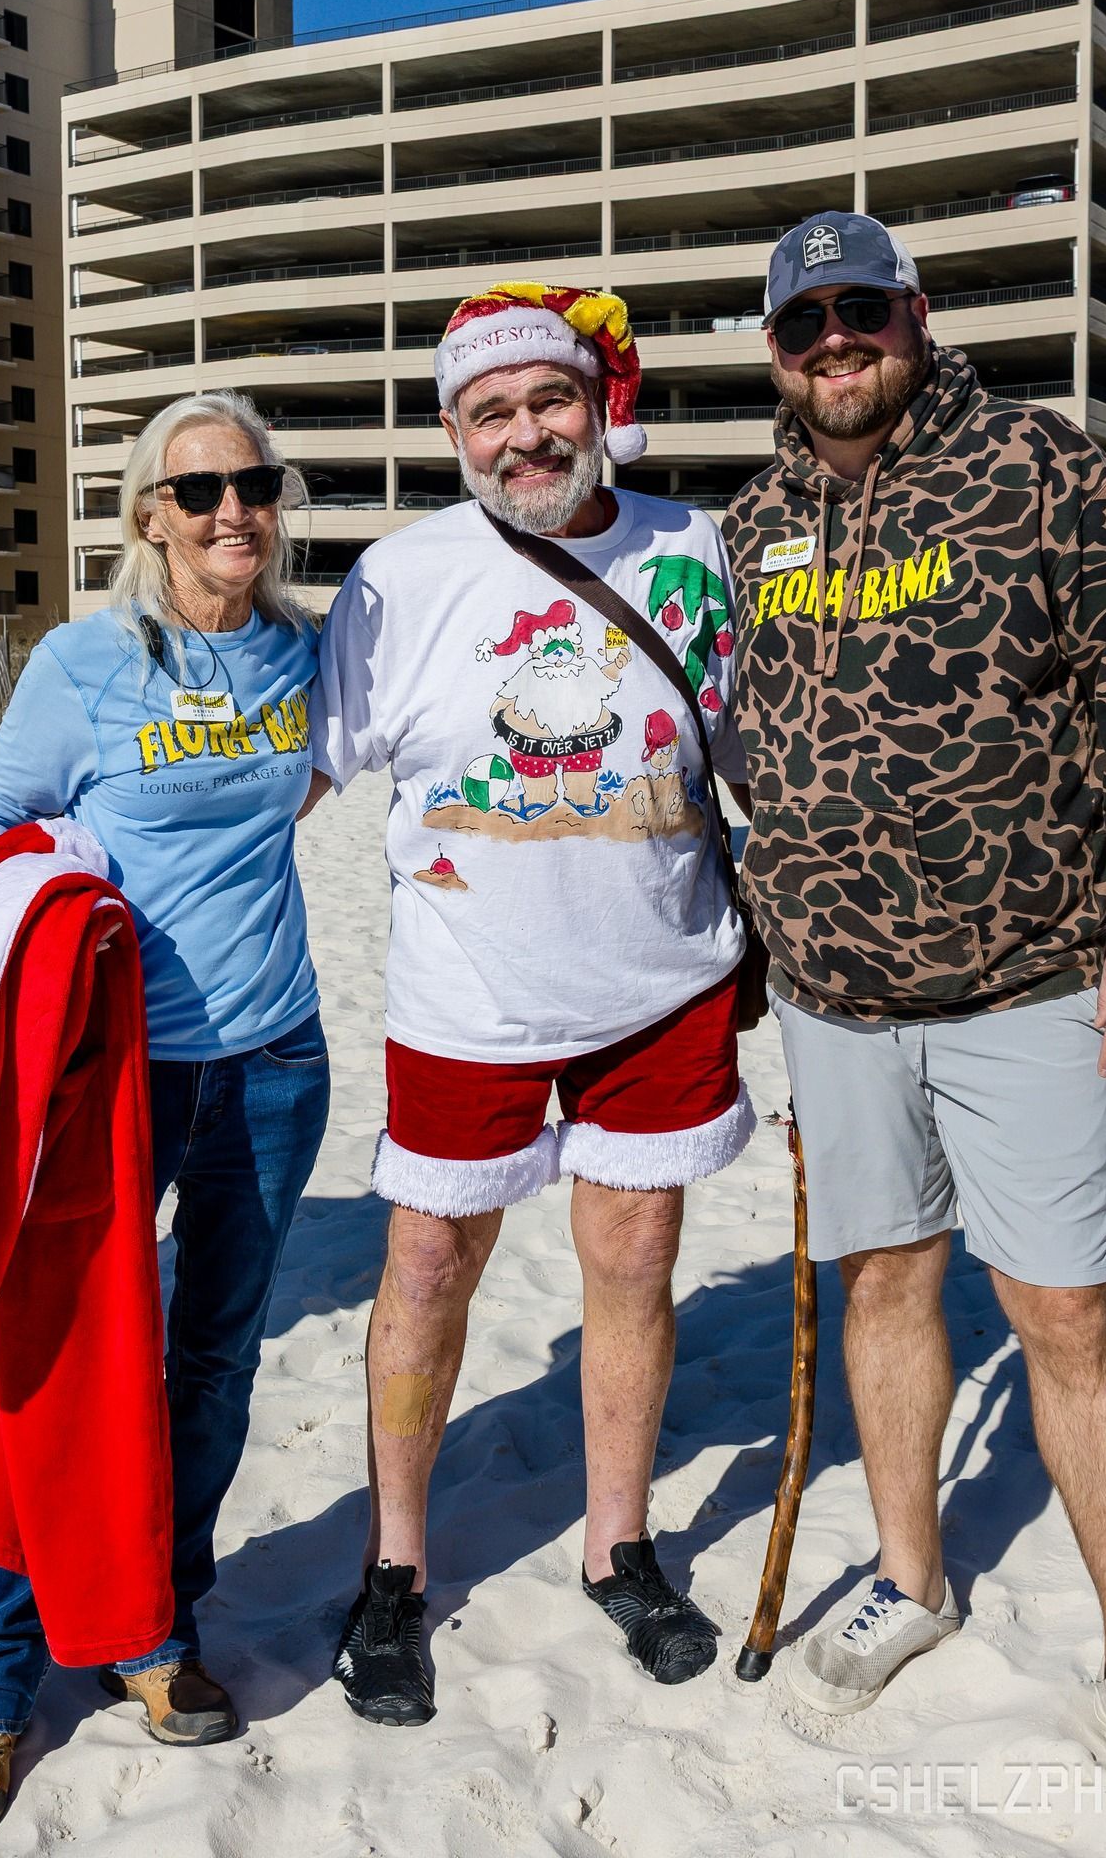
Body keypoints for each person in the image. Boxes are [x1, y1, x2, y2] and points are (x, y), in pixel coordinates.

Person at [723, 212, 1106, 1839]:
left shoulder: (1036, 466)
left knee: (1062, 1308)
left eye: (857, 311)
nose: (832, 344)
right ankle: (908, 1569)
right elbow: (744, 736)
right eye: (803, 324)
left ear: (913, 314)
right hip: (834, 993)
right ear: (774, 348)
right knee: (883, 1281)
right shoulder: (754, 518)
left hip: (1025, 974)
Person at [313, 283, 753, 1726]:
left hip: (663, 979)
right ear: (453, 430)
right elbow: (298, 774)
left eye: (547, 400)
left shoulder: (692, 549)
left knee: (632, 1260)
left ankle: (616, 1545)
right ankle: (394, 1567)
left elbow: (774, 751)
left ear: (598, 401)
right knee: (428, 1268)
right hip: (465, 997)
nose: (524, 433)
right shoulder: (397, 580)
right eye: (489, 412)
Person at [0, 392, 330, 1835]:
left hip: (274, 1062)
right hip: (107, 1079)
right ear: (149, 509)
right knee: (43, 1370)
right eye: (199, 487)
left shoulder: (300, 651)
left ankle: (153, 1628)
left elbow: (326, 782)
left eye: (255, 485)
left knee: (210, 1366)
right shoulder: (82, 664)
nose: (233, 512)